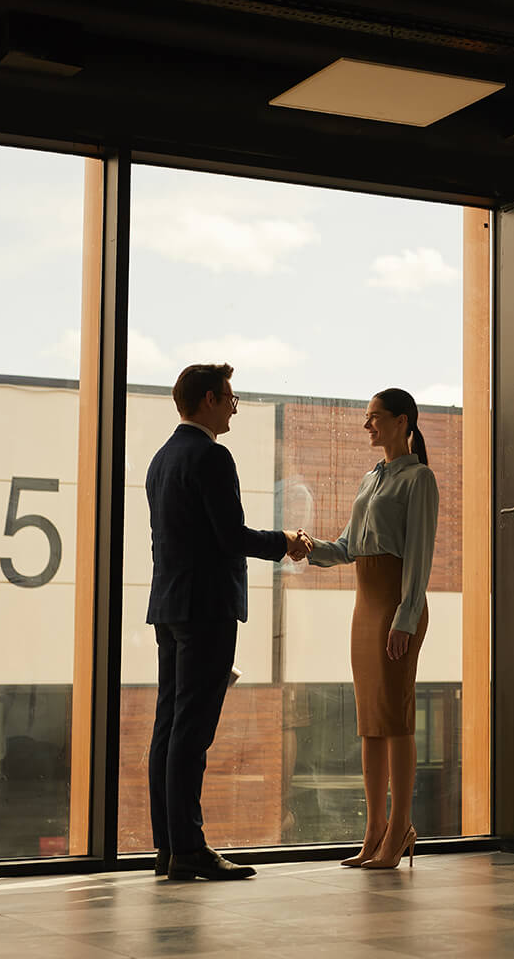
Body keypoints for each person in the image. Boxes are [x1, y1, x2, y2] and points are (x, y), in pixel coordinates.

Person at [146, 362, 308, 881]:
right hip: (207, 609)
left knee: (169, 728)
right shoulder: (212, 456)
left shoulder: (161, 459)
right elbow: (230, 536)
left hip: (170, 606)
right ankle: (189, 849)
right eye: (231, 397)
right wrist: (284, 542)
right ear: (211, 399)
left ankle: (168, 847)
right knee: (191, 734)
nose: (235, 405)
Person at [287, 388, 438, 869]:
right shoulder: (370, 479)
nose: (366, 426)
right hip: (364, 605)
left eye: (374, 418)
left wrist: (406, 618)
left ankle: (400, 828)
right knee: (371, 723)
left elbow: (418, 557)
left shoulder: (419, 480)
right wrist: (308, 547)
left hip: (395, 606)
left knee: (396, 719)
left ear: (402, 421)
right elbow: (349, 548)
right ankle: (374, 830)